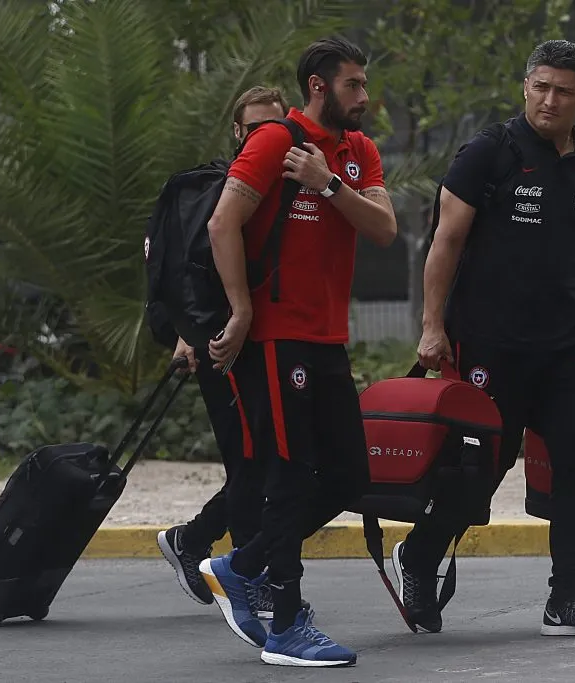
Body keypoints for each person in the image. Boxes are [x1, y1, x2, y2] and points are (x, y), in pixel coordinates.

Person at [399, 39, 575, 638]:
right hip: (489, 343)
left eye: (563, 91)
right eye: (540, 87)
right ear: (525, 87)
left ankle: (570, 599)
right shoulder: (489, 153)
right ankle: (419, 559)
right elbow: (444, 242)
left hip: (563, 346)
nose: (549, 100)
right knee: (482, 469)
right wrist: (431, 327)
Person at [199, 37, 397, 667]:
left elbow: (384, 229)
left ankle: (241, 565)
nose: (363, 97)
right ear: (319, 86)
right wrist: (243, 308)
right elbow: (221, 224)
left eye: (364, 85)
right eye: (353, 85)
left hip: (328, 338)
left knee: (348, 477)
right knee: (288, 476)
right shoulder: (272, 142)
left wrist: (328, 182)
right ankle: (284, 624)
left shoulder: (356, 152)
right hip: (278, 339)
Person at [156, 86, 294, 619]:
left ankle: (194, 540)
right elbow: (189, 272)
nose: (265, 138)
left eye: (274, 128)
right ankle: (243, 574)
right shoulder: (221, 190)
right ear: (238, 133)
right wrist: (187, 334)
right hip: (225, 346)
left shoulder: (285, 187)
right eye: (254, 129)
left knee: (267, 463)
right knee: (248, 462)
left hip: (273, 345)